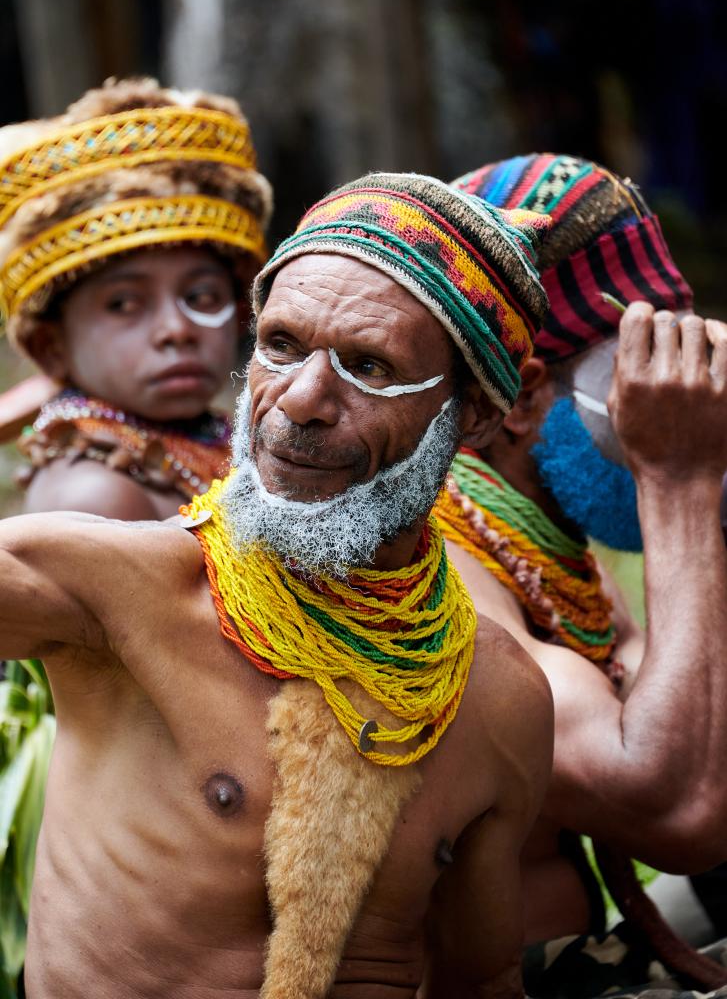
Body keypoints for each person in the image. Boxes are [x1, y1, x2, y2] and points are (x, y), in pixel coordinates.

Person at [0, 173, 554, 999]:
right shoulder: (112, 592)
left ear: (475, 411)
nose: (298, 403)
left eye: (368, 366)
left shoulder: (499, 696)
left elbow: (483, 977)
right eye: (282, 346)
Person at [432, 153, 727, 995]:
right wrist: (677, 482)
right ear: (518, 402)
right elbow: (679, 812)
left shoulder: (542, 546)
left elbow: (681, 705)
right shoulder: (442, 567)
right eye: (641, 375)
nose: (680, 397)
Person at [0, 77, 272, 519]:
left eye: (202, 296)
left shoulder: (214, 445)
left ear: (240, 312)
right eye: (123, 305)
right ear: (51, 347)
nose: (176, 330)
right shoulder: (92, 497)